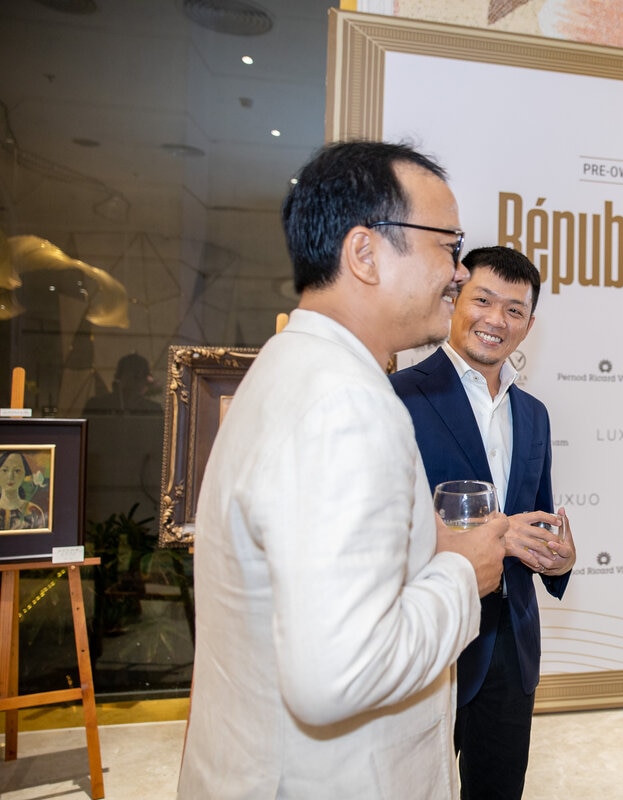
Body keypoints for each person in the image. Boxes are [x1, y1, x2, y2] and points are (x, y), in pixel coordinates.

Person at [177, 141, 507, 799]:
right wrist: (461, 574)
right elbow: (341, 673)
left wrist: (425, 549)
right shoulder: (346, 404)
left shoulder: (290, 367)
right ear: (364, 252)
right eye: (448, 245)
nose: (459, 273)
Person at [391, 245, 576, 800]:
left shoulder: (534, 414)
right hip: (428, 639)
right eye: (483, 300)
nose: (496, 320)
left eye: (514, 310)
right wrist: (491, 536)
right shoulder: (399, 395)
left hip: (510, 647)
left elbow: (536, 518)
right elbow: (383, 523)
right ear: (455, 299)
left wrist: (557, 558)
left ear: (529, 325)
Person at [0, 450, 46, 530]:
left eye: (17, 470)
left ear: (24, 473)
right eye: (5, 470)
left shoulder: (34, 511)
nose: (10, 476)